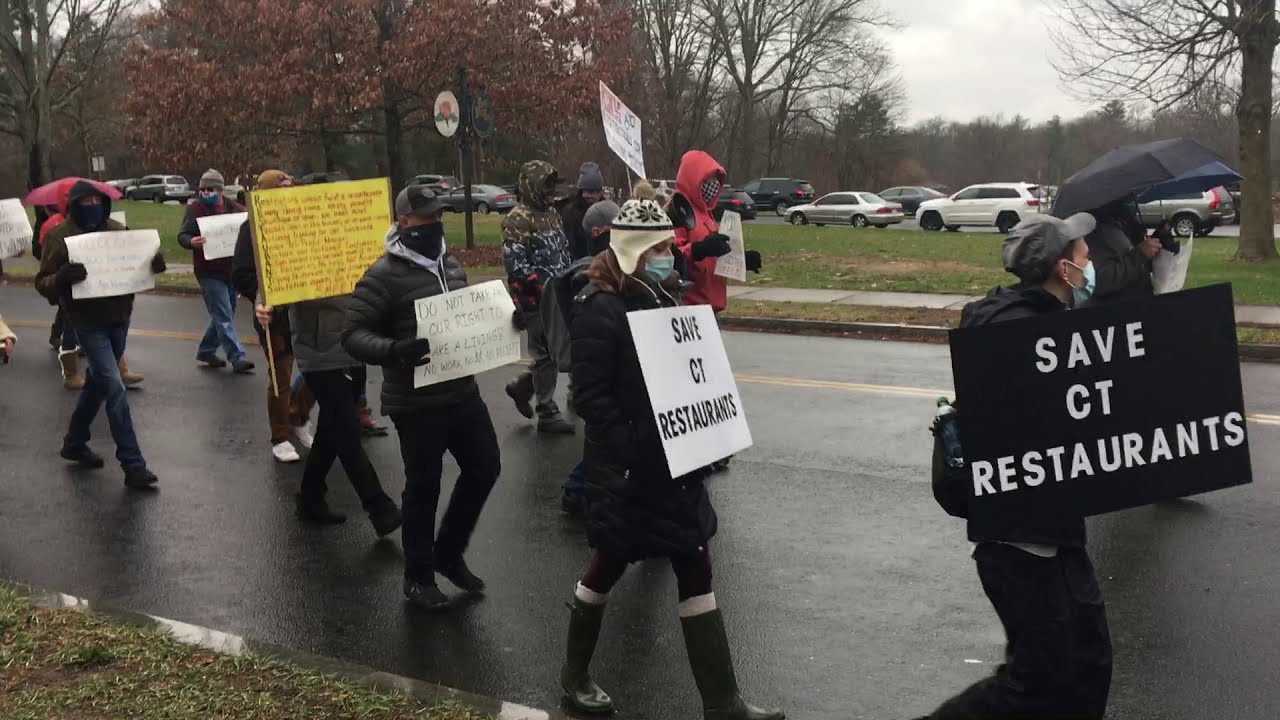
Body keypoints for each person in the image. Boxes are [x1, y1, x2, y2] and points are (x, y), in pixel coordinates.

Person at [558, 197, 783, 720]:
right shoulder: (600, 309)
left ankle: (722, 701)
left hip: (673, 467)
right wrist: (631, 453)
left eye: (669, 245)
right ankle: (574, 676)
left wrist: (707, 431)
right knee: (605, 566)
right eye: (659, 247)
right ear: (635, 250)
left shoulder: (662, 298)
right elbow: (590, 397)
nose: (669, 255)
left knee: (694, 561)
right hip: (631, 472)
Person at [918, 213, 1112, 720]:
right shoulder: (1018, 330)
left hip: (1056, 530)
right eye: (1085, 256)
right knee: (1035, 681)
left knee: (1088, 666)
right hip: (1020, 540)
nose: (1091, 263)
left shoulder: (1049, 322)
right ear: (1062, 268)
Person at [343, 185, 502, 611]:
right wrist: (394, 351)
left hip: (462, 391)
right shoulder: (383, 274)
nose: (435, 224)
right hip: (415, 403)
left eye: (438, 216)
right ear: (403, 222)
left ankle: (448, 554)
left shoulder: (450, 264)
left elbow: (468, 321)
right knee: (424, 488)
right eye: (426, 217)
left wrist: (504, 323)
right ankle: (417, 577)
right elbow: (353, 334)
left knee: (486, 467)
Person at [253, 249, 401, 534]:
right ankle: (378, 506)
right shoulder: (298, 227)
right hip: (319, 348)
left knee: (333, 427)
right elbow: (275, 271)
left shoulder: (355, 223)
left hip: (356, 341)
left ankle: (310, 497)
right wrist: (265, 304)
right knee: (345, 427)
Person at [35, 180, 166, 490]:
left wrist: (153, 265)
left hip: (120, 317)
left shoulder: (118, 230)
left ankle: (74, 443)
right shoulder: (59, 236)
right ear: (76, 204)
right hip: (86, 321)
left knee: (97, 382)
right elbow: (42, 282)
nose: (92, 206)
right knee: (114, 387)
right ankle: (133, 464)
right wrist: (61, 279)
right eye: (86, 201)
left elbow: (139, 266)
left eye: (98, 200)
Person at [232, 169, 304, 463]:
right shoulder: (250, 228)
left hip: (307, 311)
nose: (287, 191)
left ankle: (299, 417)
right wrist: (259, 299)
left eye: (291, 186)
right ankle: (281, 436)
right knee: (281, 375)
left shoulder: (304, 220)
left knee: (317, 371)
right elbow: (241, 273)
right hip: (275, 315)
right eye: (281, 187)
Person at [556, 197, 620, 515]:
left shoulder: (607, 272)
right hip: (597, 374)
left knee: (602, 439)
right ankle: (577, 489)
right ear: (601, 232)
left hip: (602, 369)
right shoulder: (586, 278)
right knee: (603, 438)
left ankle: (581, 489)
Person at [502, 160, 575, 434]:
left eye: (552, 185)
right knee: (545, 352)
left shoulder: (553, 214)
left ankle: (522, 387)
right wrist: (538, 291)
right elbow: (516, 263)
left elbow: (562, 251)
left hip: (559, 294)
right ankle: (547, 411)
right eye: (546, 185)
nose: (550, 191)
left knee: (556, 351)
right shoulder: (517, 218)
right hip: (534, 299)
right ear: (531, 185)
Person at [180, 169, 254, 374]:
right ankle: (237, 357)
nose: (205, 193)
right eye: (202, 189)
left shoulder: (236, 210)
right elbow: (183, 235)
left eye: (210, 189)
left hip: (230, 271)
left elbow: (250, 229)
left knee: (225, 313)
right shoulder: (195, 209)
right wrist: (190, 242)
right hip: (208, 271)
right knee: (223, 314)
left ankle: (206, 350)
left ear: (220, 190)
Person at [1084, 195, 1163, 304]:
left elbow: (1131, 256)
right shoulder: (1095, 232)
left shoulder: (1121, 221)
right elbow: (1100, 280)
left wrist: (1156, 241)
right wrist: (1140, 254)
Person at [561, 162, 605, 260]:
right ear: (582, 191)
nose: (593, 196)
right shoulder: (571, 212)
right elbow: (569, 245)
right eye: (589, 191)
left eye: (597, 191)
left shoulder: (605, 211)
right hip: (579, 264)